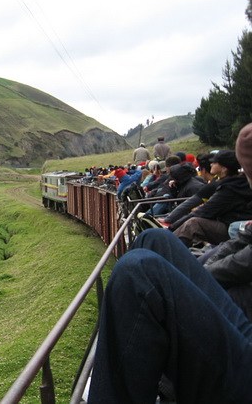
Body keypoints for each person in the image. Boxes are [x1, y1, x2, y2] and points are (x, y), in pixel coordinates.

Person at [89, 123, 252, 404]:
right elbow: (238, 245)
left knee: (139, 273)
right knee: (153, 239)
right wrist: (193, 272)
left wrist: (193, 278)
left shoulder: (224, 187)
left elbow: (240, 258)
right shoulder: (215, 184)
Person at [171, 150, 252, 247]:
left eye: (215, 162)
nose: (211, 164)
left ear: (224, 169)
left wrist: (172, 227)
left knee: (193, 224)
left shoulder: (229, 188)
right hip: (235, 225)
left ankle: (170, 251)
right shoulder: (236, 182)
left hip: (231, 227)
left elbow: (203, 211)